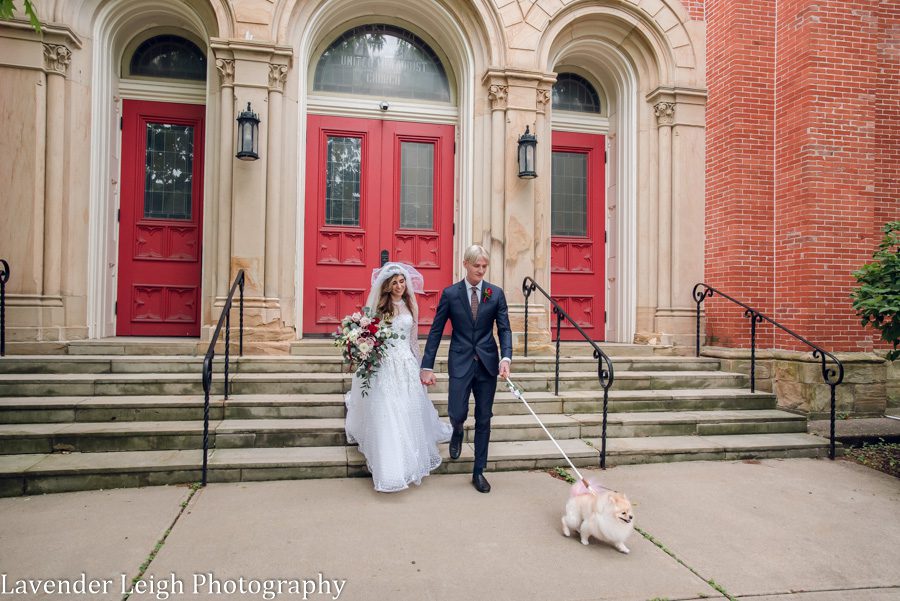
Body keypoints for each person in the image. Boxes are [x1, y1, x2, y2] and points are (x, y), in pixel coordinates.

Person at [344, 262, 453, 493]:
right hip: (386, 363)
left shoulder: (411, 305)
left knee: (407, 409)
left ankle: (409, 459)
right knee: (389, 410)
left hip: (406, 363)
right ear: (387, 285)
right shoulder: (381, 308)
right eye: (395, 282)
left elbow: (413, 340)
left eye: (402, 281)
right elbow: (369, 334)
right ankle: (390, 468)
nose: (400, 286)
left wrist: (422, 365)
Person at [420, 245, 512, 493]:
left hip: (487, 363)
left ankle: (479, 471)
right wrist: (426, 365)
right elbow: (436, 330)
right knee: (456, 411)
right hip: (460, 361)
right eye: (476, 266)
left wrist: (506, 358)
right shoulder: (451, 294)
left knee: (484, 417)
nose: (481, 271)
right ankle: (457, 430)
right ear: (465, 264)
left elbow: (504, 329)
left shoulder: (495, 293)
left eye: (484, 266)